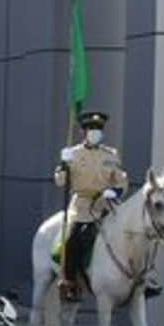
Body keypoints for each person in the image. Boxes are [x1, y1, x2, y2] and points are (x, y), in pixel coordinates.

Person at [54, 111, 133, 301]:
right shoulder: (72, 153)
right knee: (75, 239)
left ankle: (140, 280)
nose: (95, 132)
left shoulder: (111, 154)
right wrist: (62, 165)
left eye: (98, 129)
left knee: (132, 234)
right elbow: (60, 182)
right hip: (81, 205)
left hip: (104, 204)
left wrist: (114, 192)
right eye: (92, 129)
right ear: (84, 132)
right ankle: (71, 282)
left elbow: (122, 180)